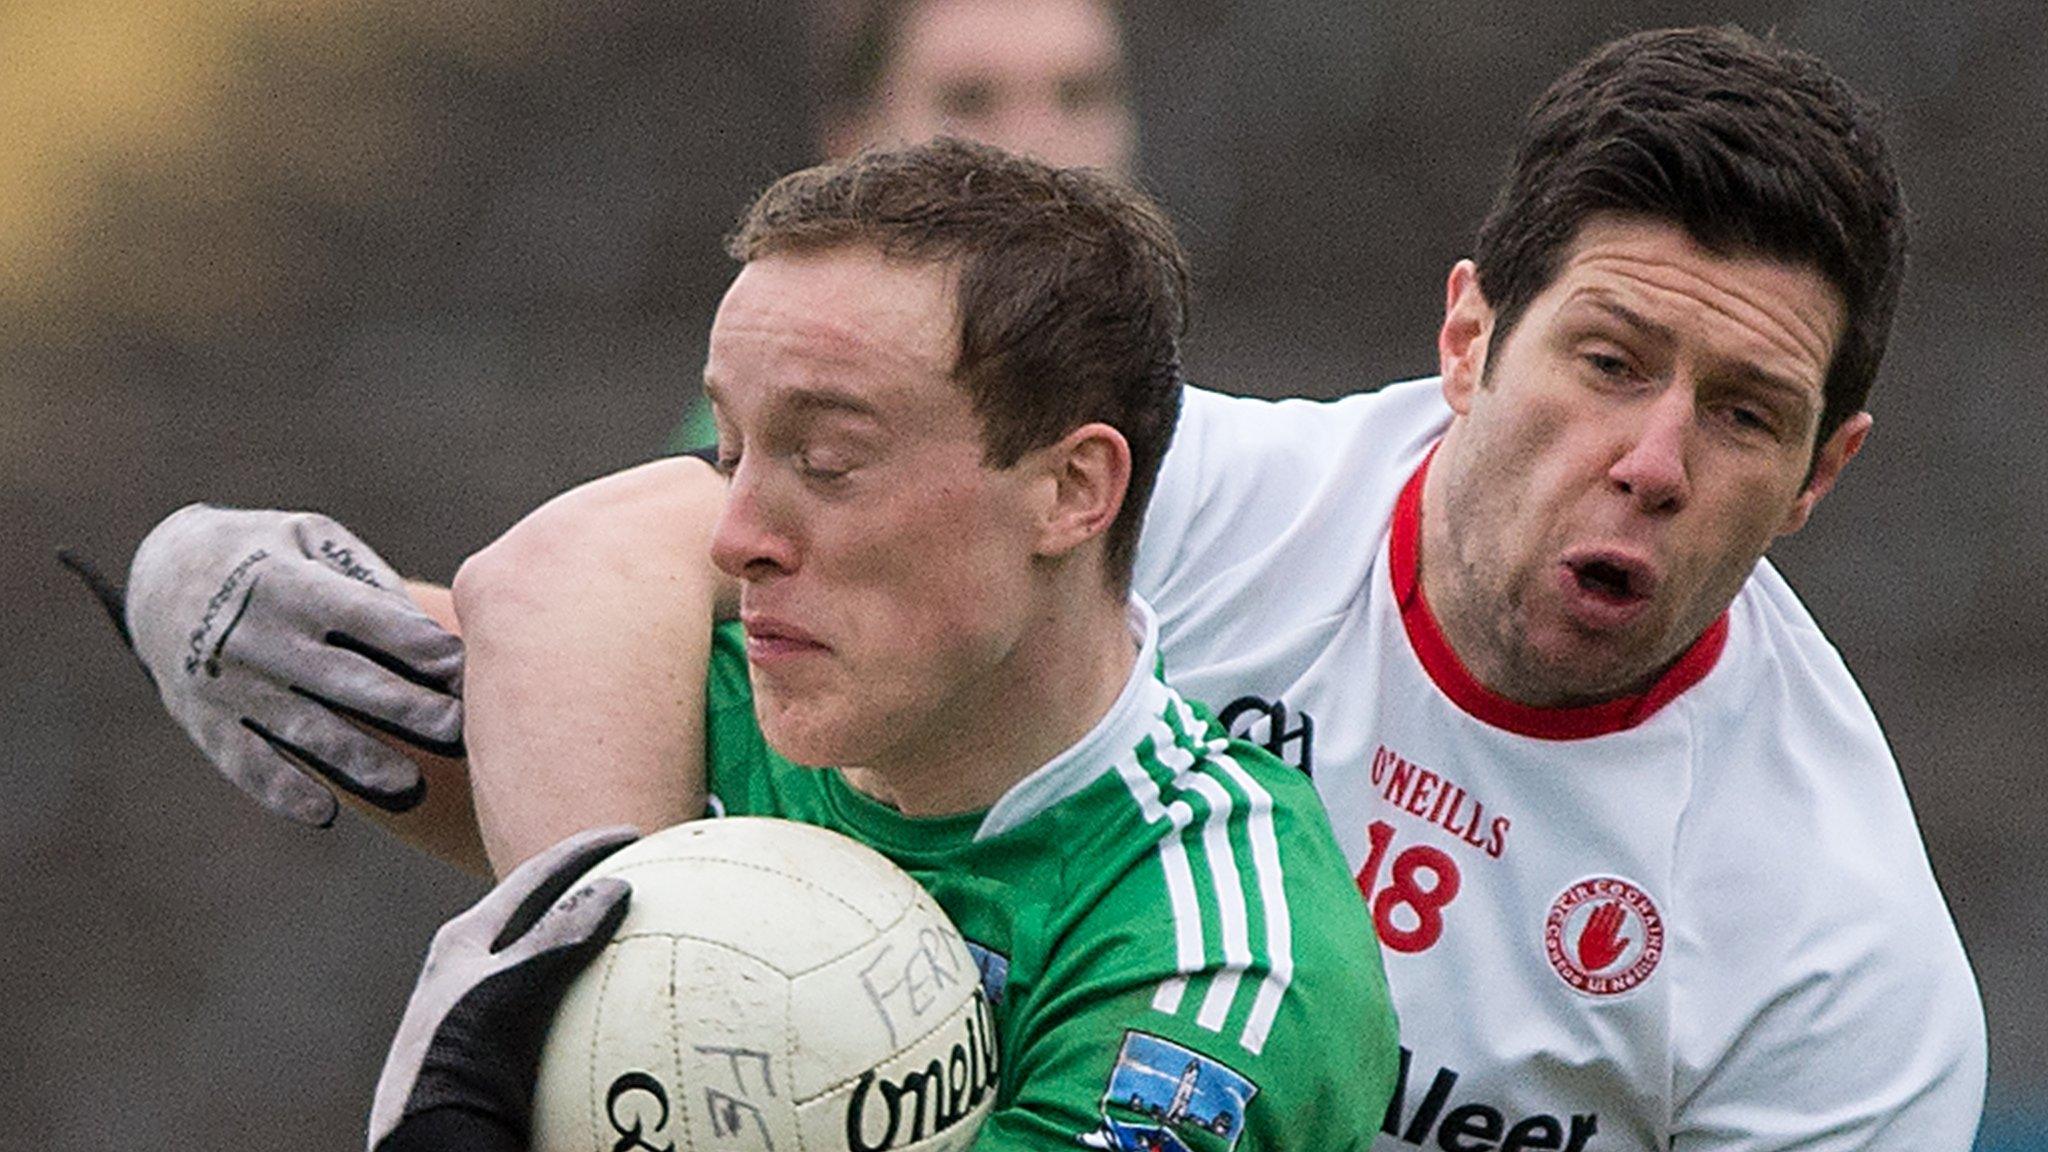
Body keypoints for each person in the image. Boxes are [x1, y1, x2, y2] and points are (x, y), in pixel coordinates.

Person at [90, 21, 1987, 1150]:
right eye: (1608, 358)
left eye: (1742, 413)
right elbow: (630, 569)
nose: (1654, 455)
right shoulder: (1200, 496)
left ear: (1822, 472)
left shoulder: (1839, 964)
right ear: (1467, 342)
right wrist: (596, 940)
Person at [367, 138, 1400, 1151]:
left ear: (1071, 490)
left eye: (827, 459)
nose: (732, 539)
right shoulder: (677, 721)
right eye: (729, 453)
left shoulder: (1213, 965)